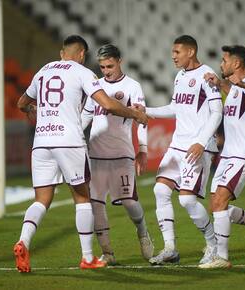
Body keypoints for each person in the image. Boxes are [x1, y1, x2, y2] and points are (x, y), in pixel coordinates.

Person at [13, 35, 148, 273]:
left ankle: (23, 241)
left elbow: (22, 103)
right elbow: (106, 104)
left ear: (62, 52)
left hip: (41, 142)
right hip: (69, 143)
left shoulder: (42, 71)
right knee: (83, 199)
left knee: (41, 199)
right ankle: (87, 257)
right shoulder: (82, 72)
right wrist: (135, 114)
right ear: (82, 54)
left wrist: (34, 110)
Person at [141, 35, 223, 265]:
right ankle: (170, 249)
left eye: (177, 52)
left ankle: (213, 245)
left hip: (198, 147)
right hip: (177, 145)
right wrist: (145, 110)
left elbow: (217, 112)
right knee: (160, 191)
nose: (173, 56)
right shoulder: (180, 76)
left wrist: (201, 141)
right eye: (173, 52)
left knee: (187, 201)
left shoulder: (207, 75)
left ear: (191, 51)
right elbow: (175, 107)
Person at [198, 45, 245, 269]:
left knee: (220, 201)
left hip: (243, 154)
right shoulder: (232, 90)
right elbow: (230, 90)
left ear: (236, 64)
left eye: (224, 60)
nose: (221, 64)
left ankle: (221, 257)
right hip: (227, 155)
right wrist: (218, 82)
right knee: (216, 206)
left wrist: (239, 83)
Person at [81, 44, 154, 265]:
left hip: (122, 154)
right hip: (96, 156)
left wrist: (142, 150)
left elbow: (141, 119)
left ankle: (142, 232)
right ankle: (108, 253)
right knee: (96, 204)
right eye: (102, 67)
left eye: (110, 66)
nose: (106, 71)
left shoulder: (133, 86)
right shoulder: (95, 87)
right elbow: (85, 117)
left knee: (129, 202)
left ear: (119, 61)